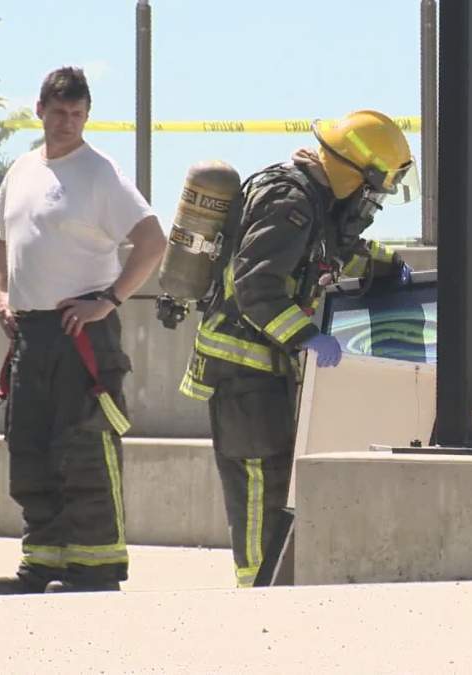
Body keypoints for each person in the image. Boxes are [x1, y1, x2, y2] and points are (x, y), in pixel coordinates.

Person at [179, 110, 416, 588]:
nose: (373, 201)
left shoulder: (315, 202)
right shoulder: (290, 203)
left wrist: (387, 265)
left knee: (274, 480)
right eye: (373, 187)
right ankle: (256, 590)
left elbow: (327, 253)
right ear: (353, 172)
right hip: (240, 367)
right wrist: (307, 336)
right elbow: (256, 287)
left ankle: (269, 584)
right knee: (258, 485)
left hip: (263, 369)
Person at [0, 66, 165, 594]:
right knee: (30, 451)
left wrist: (109, 300)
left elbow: (152, 241)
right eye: (59, 112)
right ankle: (42, 564)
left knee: (83, 452)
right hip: (31, 335)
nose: (67, 122)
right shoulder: (21, 170)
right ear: (39, 110)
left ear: (87, 116)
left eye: (77, 114)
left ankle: (95, 570)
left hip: (82, 336)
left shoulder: (100, 174)